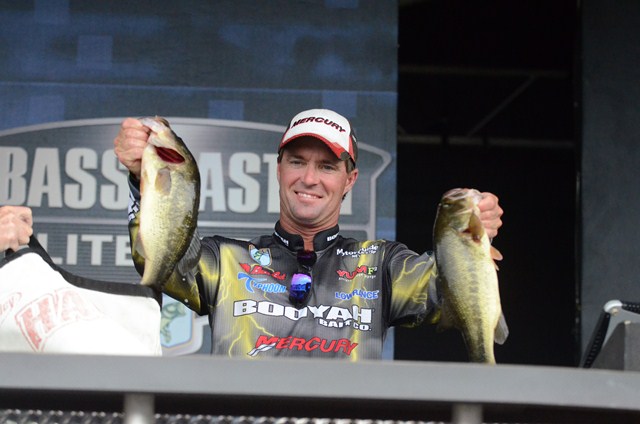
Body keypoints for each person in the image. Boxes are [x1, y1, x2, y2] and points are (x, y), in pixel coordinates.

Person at [114, 108, 503, 360]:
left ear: (350, 179)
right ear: (279, 168)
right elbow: (162, 261)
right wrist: (143, 178)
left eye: (327, 166)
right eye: (297, 161)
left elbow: (447, 294)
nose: (309, 178)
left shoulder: (382, 265)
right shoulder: (227, 260)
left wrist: (472, 238)